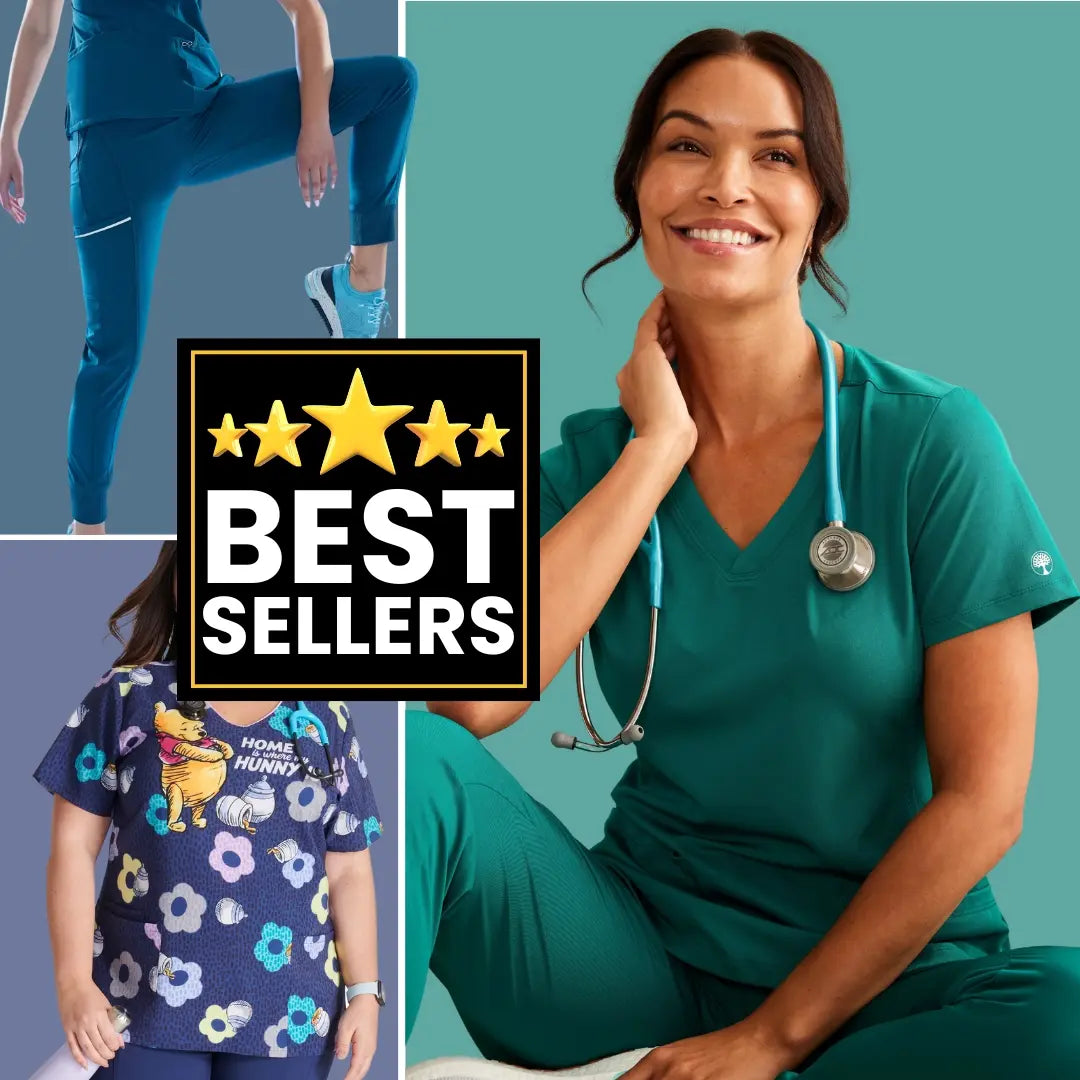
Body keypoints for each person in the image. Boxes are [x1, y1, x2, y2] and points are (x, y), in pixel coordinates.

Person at [404, 28, 1080, 1080]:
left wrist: (769, 1040)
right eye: (686, 147)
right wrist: (655, 451)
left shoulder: (930, 441)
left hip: (889, 989)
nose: (727, 186)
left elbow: (985, 801)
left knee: (1069, 1013)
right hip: (633, 968)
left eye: (777, 155)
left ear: (821, 207)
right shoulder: (582, 466)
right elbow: (474, 701)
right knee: (396, 758)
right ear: (636, 186)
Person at [0, 0, 417, 534]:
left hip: (206, 113)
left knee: (392, 83)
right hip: (114, 143)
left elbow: (306, 11)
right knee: (113, 348)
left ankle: (358, 291)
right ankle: (87, 531)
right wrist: (10, 132)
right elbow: (39, 25)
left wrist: (315, 122)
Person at [34, 541, 386, 1080]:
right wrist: (73, 984)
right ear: (182, 586)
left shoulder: (324, 719)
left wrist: (364, 992)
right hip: (138, 1003)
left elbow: (349, 870)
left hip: (290, 1017)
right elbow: (71, 849)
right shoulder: (127, 696)